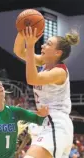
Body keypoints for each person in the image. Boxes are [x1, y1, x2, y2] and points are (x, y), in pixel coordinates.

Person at [14, 27, 80, 158]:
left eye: (48, 44)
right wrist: (23, 32)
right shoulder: (44, 63)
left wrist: (31, 45)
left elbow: (32, 79)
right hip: (47, 123)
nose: (43, 45)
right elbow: (19, 51)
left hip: (56, 123)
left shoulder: (59, 72)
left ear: (57, 53)